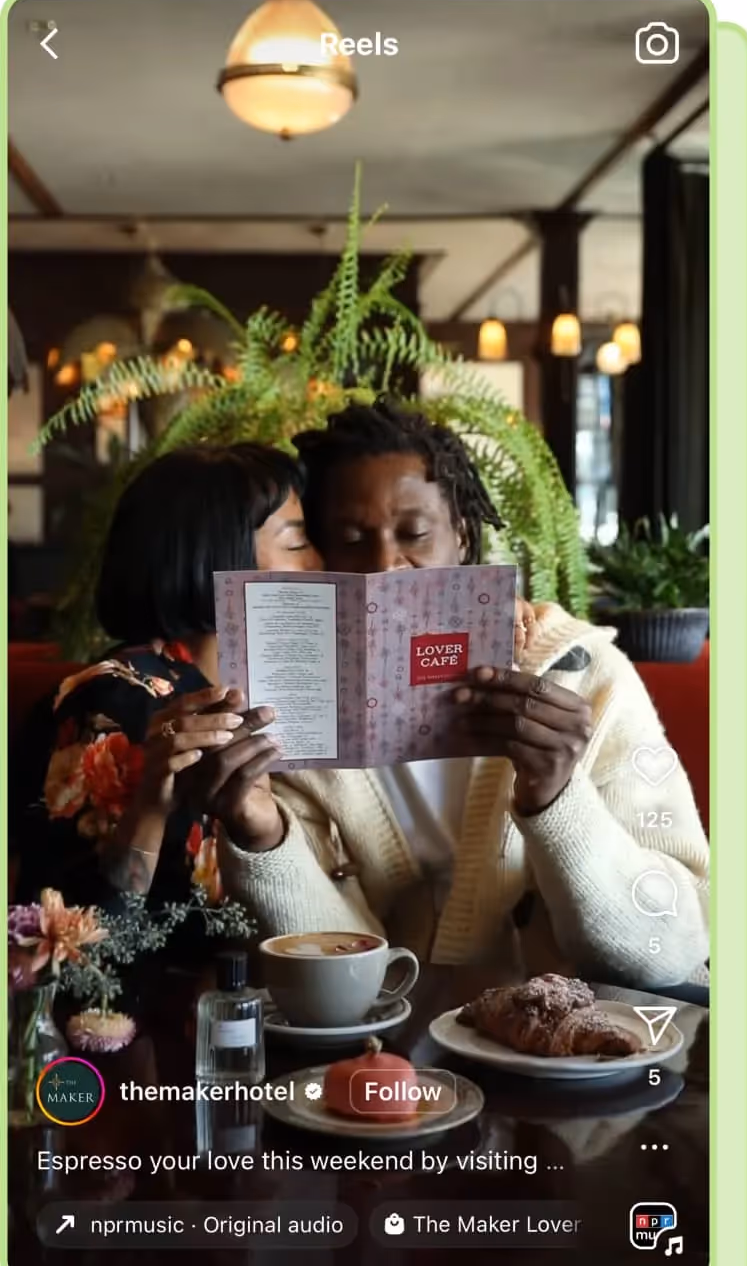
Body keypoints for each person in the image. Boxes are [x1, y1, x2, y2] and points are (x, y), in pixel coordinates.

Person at [218, 400, 710, 990]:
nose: (385, 565)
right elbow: (338, 982)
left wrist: (558, 797)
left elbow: (672, 949)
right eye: (350, 539)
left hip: (578, 1037)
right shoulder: (294, 712)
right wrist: (264, 837)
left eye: (414, 534)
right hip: (389, 1036)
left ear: (463, 535)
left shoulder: (582, 676)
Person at [15, 444, 321, 913]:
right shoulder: (115, 701)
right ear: (220, 555)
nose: (319, 562)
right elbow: (78, 934)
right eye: (297, 544)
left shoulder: (262, 688)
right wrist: (151, 804)